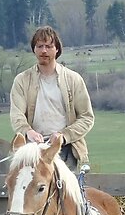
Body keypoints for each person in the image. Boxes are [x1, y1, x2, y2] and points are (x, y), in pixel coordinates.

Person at [9, 25, 95, 171]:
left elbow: (87, 117)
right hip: (33, 150)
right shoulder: (22, 80)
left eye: (49, 46)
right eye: (40, 46)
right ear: (34, 49)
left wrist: (64, 135)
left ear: (57, 49)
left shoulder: (73, 79)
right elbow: (16, 114)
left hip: (66, 149)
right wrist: (28, 132)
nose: (44, 50)